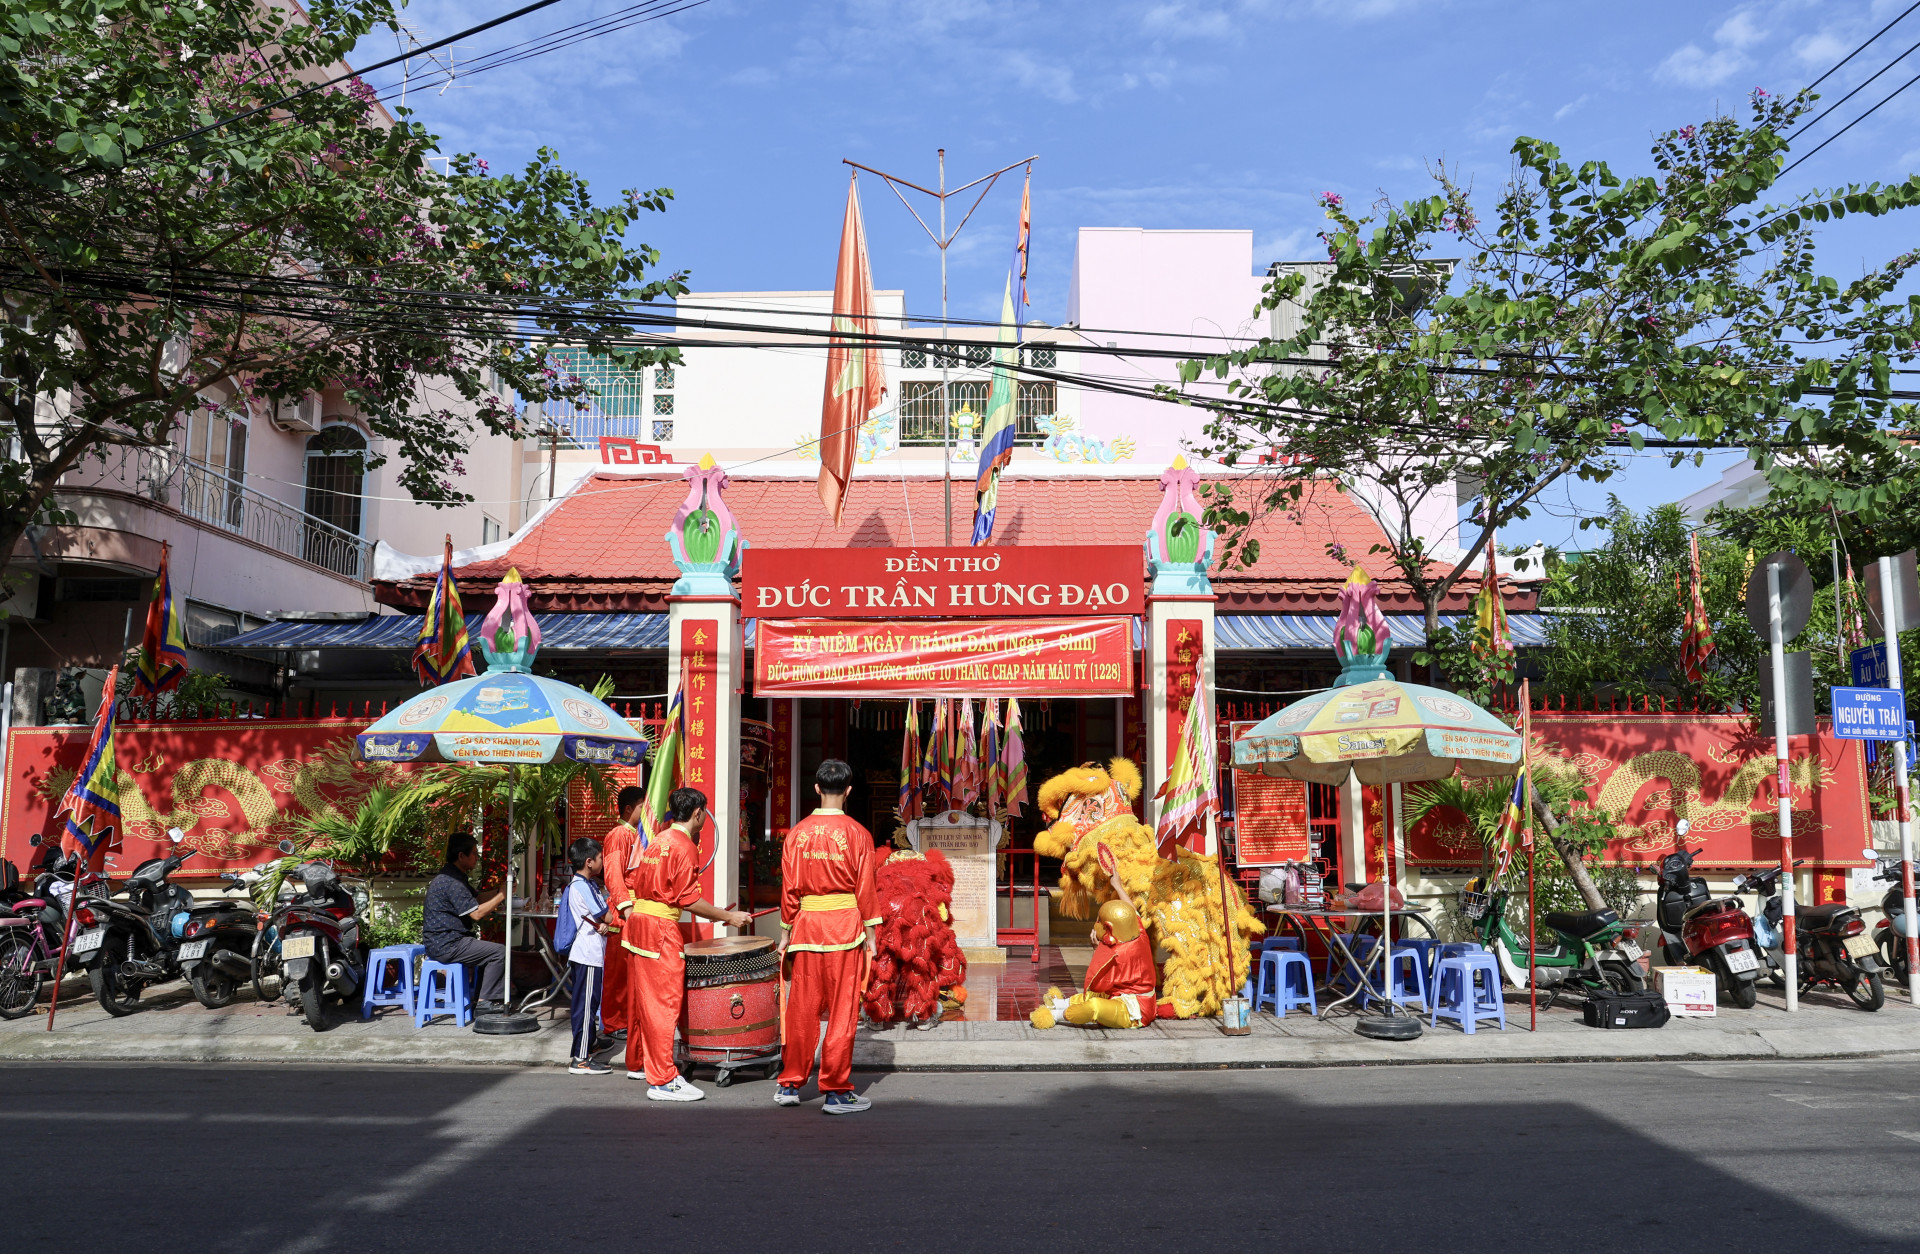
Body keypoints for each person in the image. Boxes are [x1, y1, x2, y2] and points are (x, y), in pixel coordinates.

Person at [623, 786, 752, 1102]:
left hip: (640, 925)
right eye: (704, 816)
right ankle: (663, 1079)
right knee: (664, 1004)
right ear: (698, 814)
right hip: (658, 929)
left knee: (649, 1005)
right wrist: (728, 916)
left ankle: (655, 1069)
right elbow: (687, 898)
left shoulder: (658, 841)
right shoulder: (683, 845)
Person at [774, 759, 881, 1115]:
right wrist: (871, 936)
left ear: (817, 789)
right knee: (841, 1012)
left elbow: (789, 889)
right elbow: (866, 890)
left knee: (801, 1009)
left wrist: (786, 932)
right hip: (845, 930)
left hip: (806, 929)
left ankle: (790, 1083)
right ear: (848, 791)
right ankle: (835, 1090)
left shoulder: (797, 833)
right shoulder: (858, 834)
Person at [1029, 870, 1158, 1030]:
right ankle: (1060, 1003)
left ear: (1109, 929)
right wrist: (1117, 885)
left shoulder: (1118, 954)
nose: (1096, 925)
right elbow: (1132, 911)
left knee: (1095, 1005)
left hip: (1136, 1011)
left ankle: (1055, 1015)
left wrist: (1098, 949)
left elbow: (1098, 984)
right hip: (1122, 993)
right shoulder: (1137, 933)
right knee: (1095, 996)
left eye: (1100, 923)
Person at [422, 832, 508, 1013]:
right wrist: (501, 896)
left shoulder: (454, 876)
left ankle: (482, 1000)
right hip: (447, 943)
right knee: (499, 952)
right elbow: (476, 914)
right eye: (474, 854)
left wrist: (500, 890)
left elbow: (476, 899)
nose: (477, 858)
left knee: (491, 952)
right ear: (461, 856)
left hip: (448, 940)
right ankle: (485, 1005)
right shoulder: (451, 881)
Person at [599, 785, 648, 1043]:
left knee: (631, 973)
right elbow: (613, 876)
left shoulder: (635, 833)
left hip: (636, 908)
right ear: (629, 809)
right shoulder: (619, 834)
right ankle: (612, 1023)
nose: (646, 811)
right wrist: (627, 908)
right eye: (643, 806)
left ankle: (626, 1019)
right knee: (618, 974)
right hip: (624, 911)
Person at [562, 837, 612, 1074]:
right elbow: (607, 916)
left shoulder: (584, 883)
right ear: (589, 861)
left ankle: (589, 1043)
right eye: (601, 857)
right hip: (587, 954)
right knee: (585, 1007)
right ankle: (580, 1059)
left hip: (589, 952)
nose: (603, 861)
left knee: (588, 1003)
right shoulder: (582, 886)